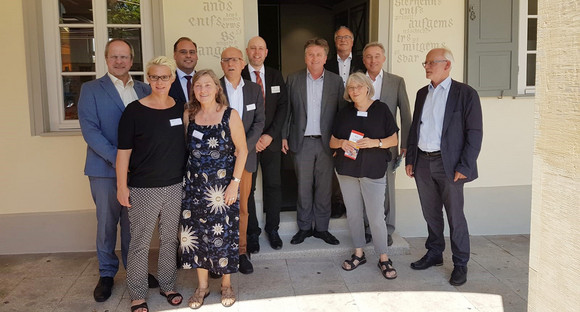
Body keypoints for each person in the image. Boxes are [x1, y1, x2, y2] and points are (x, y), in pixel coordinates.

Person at [78, 39, 158, 303]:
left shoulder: (145, 88)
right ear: (106, 59)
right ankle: (107, 274)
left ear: (131, 60)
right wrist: (119, 160)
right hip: (104, 169)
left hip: (139, 172)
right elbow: (90, 131)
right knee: (106, 224)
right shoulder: (90, 90)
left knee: (134, 225)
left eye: (124, 57)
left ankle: (136, 270)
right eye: (114, 57)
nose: (119, 61)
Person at [405, 48, 483, 286]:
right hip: (423, 162)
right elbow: (414, 127)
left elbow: (475, 133)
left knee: (455, 216)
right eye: (425, 63)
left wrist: (465, 165)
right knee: (431, 213)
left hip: (450, 164)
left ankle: (460, 263)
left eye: (431, 63)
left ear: (447, 65)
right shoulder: (422, 93)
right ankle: (435, 252)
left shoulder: (465, 94)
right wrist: (410, 159)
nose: (427, 66)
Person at [116, 56, 185, 312]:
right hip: (143, 187)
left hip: (175, 185)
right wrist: (122, 186)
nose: (159, 81)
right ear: (148, 78)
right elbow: (123, 153)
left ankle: (168, 285)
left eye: (164, 76)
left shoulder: (181, 108)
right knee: (140, 242)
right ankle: (137, 294)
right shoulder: (134, 111)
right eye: (154, 76)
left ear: (172, 79)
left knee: (169, 240)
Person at [180, 69, 248, 308]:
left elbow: (243, 151)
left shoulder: (230, 114)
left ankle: (227, 284)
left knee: (223, 236)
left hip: (223, 189)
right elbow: (186, 150)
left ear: (217, 88)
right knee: (198, 236)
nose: (203, 90)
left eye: (208, 85)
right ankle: (202, 286)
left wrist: (234, 184)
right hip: (195, 187)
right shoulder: (189, 113)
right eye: (198, 86)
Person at [330, 72, 399, 279]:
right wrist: (342, 143)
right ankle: (359, 253)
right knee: (353, 214)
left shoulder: (381, 109)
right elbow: (332, 141)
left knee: (376, 216)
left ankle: (384, 257)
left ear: (367, 88)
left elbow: (393, 139)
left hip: (373, 170)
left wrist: (375, 142)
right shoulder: (344, 112)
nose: (354, 91)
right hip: (347, 171)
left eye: (358, 87)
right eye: (351, 88)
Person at [282, 38, 346, 246]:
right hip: (301, 142)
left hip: (327, 143)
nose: (314, 58)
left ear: (326, 58)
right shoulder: (293, 79)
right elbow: (287, 111)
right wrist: (283, 135)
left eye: (319, 54)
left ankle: (322, 228)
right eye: (310, 54)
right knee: (303, 187)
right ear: (305, 57)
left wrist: (339, 142)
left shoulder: (336, 81)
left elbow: (341, 113)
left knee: (324, 188)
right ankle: (304, 228)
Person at [219, 47, 265, 274]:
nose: (231, 63)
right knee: (218, 208)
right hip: (219, 160)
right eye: (226, 59)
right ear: (221, 64)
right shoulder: (213, 88)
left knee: (243, 208)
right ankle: (220, 253)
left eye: (235, 59)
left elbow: (259, 121)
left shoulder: (255, 89)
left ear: (243, 63)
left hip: (244, 158)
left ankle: (241, 252)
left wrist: (244, 147)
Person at [362, 42, 412, 246]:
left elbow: (406, 114)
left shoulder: (396, 81)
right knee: (364, 185)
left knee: (388, 189)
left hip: (388, 142)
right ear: (363, 60)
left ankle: (388, 228)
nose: (373, 60)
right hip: (363, 143)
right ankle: (367, 227)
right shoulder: (357, 80)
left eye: (376, 56)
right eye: (368, 56)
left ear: (383, 58)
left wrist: (406, 143)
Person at [242, 36, 288, 252]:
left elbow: (283, 108)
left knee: (274, 185)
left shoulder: (275, 75)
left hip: (271, 141)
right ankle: (252, 232)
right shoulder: (239, 75)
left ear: (266, 52)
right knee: (247, 189)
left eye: (261, 48)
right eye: (253, 48)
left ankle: (273, 229)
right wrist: (253, 139)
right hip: (248, 144)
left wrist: (269, 135)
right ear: (247, 51)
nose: (257, 52)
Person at [324, 26, 365, 219]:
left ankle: (354, 204)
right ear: (334, 40)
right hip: (333, 117)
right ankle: (338, 202)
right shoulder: (327, 63)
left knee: (355, 158)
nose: (343, 40)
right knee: (336, 159)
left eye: (347, 37)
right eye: (339, 37)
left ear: (353, 40)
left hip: (356, 116)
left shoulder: (361, 62)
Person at [169, 37, 198, 108]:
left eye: (192, 52)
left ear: (197, 56)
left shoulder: (206, 81)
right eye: (183, 52)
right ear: (175, 55)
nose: (188, 55)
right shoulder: (166, 82)